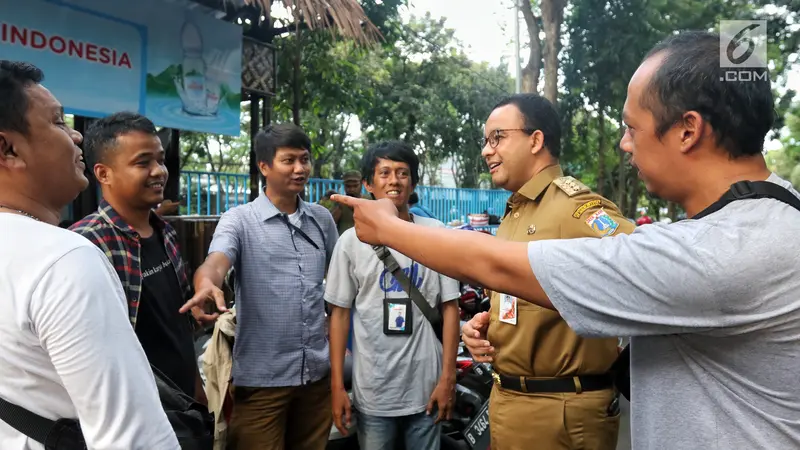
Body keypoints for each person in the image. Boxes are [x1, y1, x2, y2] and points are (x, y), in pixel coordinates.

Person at [327, 30, 800, 450]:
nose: (624, 144)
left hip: (563, 408)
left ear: (688, 130)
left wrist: (388, 229)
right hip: (511, 395)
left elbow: (501, 266)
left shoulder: (725, 249)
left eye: (631, 127)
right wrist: (494, 320)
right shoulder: (762, 216)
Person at [0, 61, 178, 449]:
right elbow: (134, 439)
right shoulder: (65, 258)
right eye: (59, 122)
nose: (76, 136)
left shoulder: (165, 234)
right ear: (9, 148)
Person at [472, 93, 633, 450]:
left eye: (497, 137)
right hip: (510, 399)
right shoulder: (516, 213)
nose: (487, 150)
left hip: (560, 410)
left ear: (536, 140)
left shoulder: (573, 208)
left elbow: (643, 269)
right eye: (485, 141)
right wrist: (486, 323)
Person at [185, 123, 339, 450]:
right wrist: (206, 284)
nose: (300, 169)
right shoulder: (240, 220)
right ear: (264, 166)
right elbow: (216, 260)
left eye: (305, 159)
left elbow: (337, 282)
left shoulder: (322, 220)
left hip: (316, 378)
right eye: (289, 160)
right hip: (262, 382)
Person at [325, 141, 460, 450]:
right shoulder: (350, 242)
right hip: (374, 393)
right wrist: (337, 387)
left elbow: (451, 309)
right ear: (369, 184)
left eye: (402, 172)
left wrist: (447, 379)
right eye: (384, 172)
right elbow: (340, 315)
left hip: (427, 390)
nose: (394, 180)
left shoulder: (436, 233)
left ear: (412, 182)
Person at [69, 112, 203, 401]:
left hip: (184, 405)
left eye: (160, 160)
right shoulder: (87, 243)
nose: (158, 171)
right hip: (135, 409)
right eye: (143, 162)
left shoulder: (165, 232)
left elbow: (178, 325)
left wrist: (197, 388)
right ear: (103, 173)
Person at [322, 170, 363, 235]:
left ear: (361, 184)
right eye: (348, 186)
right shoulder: (340, 203)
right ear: (344, 186)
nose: (352, 189)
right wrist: (340, 207)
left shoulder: (368, 201)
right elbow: (329, 224)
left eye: (355, 186)